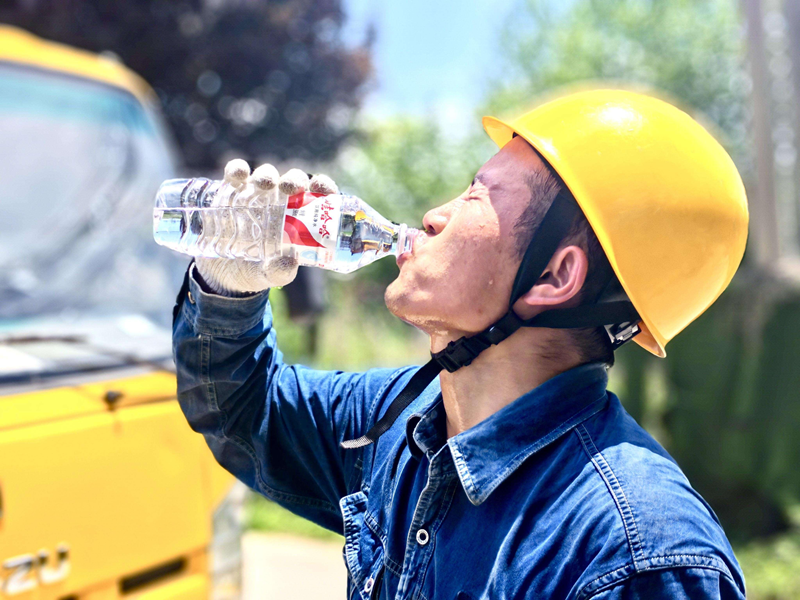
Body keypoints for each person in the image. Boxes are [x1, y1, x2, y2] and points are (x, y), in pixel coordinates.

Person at [173, 89, 749, 599]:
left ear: (554, 277)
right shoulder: (397, 422)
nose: (432, 215)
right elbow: (246, 410)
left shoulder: (633, 555)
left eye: (477, 194)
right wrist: (228, 286)